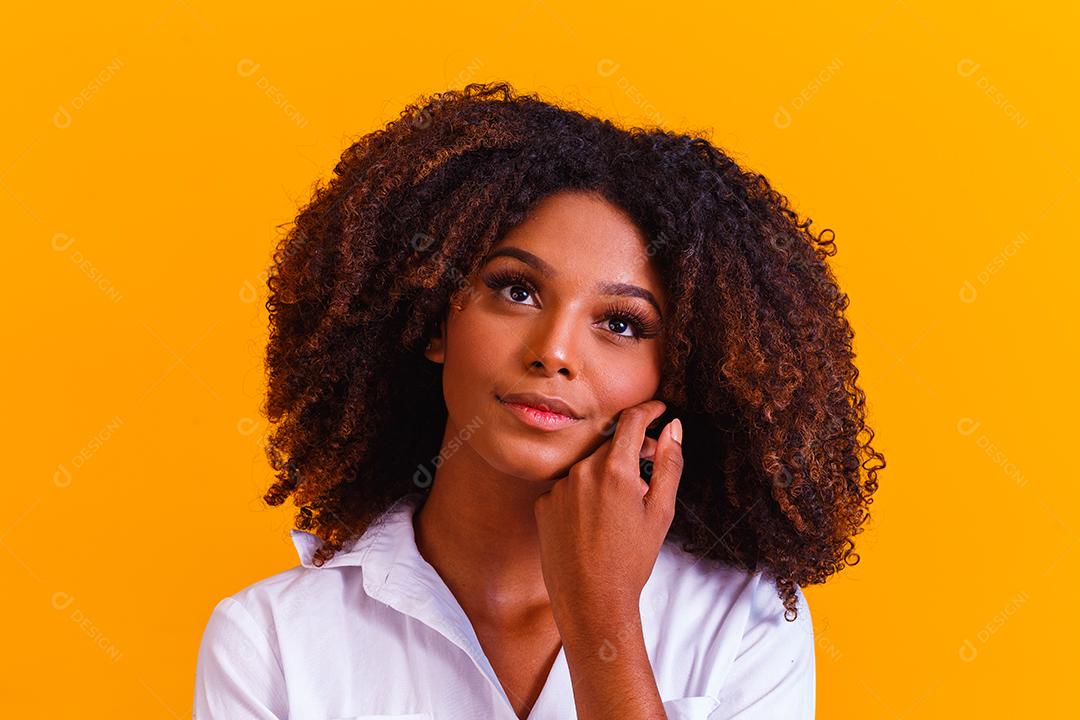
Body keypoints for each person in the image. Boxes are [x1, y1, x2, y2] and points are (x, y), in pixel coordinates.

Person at [193, 81, 883, 719]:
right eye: (516, 290)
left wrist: (602, 620)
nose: (554, 350)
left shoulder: (741, 620)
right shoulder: (271, 642)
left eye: (620, 324)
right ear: (437, 319)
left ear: (671, 380)